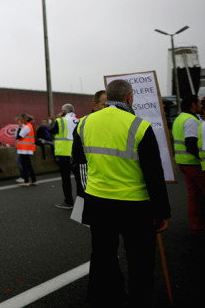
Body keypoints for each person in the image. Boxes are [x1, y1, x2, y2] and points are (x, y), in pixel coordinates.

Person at [71, 79, 170, 306]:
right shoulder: (139, 125)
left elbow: (79, 163)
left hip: (98, 202)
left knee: (102, 256)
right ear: (129, 98)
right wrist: (162, 210)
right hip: (135, 205)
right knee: (140, 260)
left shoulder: (84, 123)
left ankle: (101, 298)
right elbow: (154, 175)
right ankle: (139, 299)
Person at [172, 95, 205, 236]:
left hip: (183, 162)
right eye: (198, 103)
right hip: (193, 163)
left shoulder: (179, 118)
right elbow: (191, 144)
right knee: (198, 194)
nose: (200, 105)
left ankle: (196, 226)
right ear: (193, 104)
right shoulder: (191, 120)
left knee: (194, 195)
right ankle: (197, 225)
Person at [48, 104, 82, 209]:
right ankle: (82, 203)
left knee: (66, 178)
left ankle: (69, 202)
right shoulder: (80, 119)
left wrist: (57, 118)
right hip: (78, 152)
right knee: (80, 179)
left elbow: (50, 130)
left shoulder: (61, 120)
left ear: (64, 111)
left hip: (65, 152)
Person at [15, 114, 37, 186]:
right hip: (27, 148)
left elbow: (19, 136)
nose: (20, 121)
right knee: (28, 165)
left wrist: (19, 128)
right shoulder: (29, 126)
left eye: (21, 119)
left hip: (24, 148)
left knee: (25, 165)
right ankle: (33, 180)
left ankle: (26, 180)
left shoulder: (26, 127)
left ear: (24, 120)